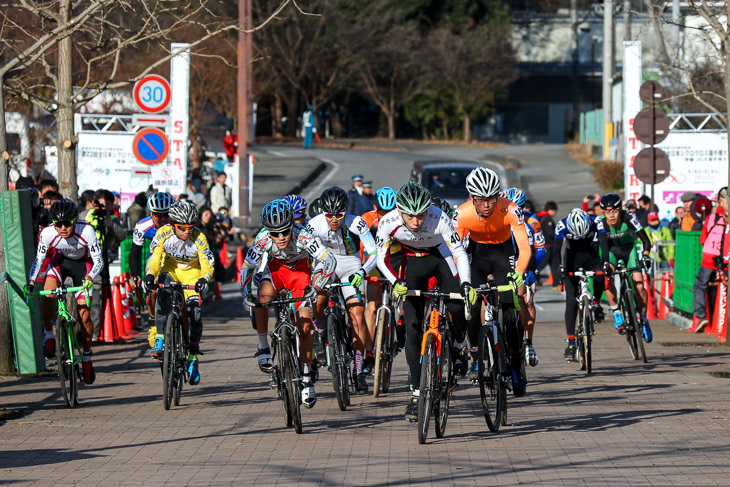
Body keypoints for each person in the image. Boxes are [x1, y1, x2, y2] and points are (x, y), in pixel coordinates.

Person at [376, 182, 475, 421]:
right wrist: (394, 281)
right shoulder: (387, 222)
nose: (416, 222)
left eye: (420, 215)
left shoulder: (439, 217)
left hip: (439, 257)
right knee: (412, 327)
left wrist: (466, 283)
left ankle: (460, 346)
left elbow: (459, 252)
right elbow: (381, 259)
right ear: (399, 211)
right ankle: (416, 393)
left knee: (456, 304)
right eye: (410, 216)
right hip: (412, 264)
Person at [241, 199, 337, 408]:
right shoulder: (262, 238)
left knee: (306, 328)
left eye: (285, 231)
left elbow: (329, 260)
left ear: (292, 226)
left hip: (300, 275)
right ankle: (263, 346)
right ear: (268, 231)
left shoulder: (303, 235)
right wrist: (246, 293)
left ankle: (306, 378)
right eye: (275, 233)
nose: (281, 237)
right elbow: (247, 266)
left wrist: (317, 285)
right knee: (262, 299)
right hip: (276, 273)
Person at [452, 169, 530, 397]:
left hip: (503, 254)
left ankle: (515, 362)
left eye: (491, 199)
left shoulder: (510, 210)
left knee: (509, 312)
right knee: (473, 306)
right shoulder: (462, 214)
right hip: (477, 254)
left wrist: (518, 272)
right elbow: (454, 249)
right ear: (471, 197)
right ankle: (477, 357)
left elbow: (524, 247)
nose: (487, 205)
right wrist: (459, 276)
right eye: (481, 199)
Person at [307, 186, 378, 394]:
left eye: (339, 214)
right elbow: (306, 251)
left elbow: (373, 251)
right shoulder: (314, 224)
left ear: (346, 210)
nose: (334, 219)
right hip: (325, 261)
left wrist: (363, 271)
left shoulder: (356, 223)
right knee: (319, 297)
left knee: (357, 314)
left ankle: (358, 369)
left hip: (351, 264)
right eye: (329, 215)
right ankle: (320, 333)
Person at [25, 199, 104, 384]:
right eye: (58, 224)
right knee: (47, 293)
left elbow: (99, 261)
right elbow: (38, 260)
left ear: (74, 221)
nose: (62, 228)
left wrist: (89, 278)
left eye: (67, 223)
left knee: (84, 315)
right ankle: (50, 335)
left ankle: (86, 357)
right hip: (60, 262)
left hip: (83, 266)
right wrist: (30, 282)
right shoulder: (47, 233)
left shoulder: (87, 230)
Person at [145, 201, 214, 385]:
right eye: (181, 228)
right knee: (163, 294)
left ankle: (192, 356)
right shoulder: (163, 233)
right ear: (173, 224)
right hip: (171, 269)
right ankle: (160, 336)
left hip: (192, 273)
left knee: (195, 314)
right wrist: (151, 275)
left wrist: (203, 279)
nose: (186, 232)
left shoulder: (199, 237)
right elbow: (156, 258)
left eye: (190, 228)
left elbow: (207, 262)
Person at [553, 208, 610, 362]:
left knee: (599, 276)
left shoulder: (596, 220)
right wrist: (558, 268)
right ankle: (571, 343)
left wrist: (606, 262)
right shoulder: (561, 224)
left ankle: (597, 305)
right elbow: (556, 250)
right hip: (571, 259)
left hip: (591, 256)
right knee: (571, 301)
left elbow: (604, 242)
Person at [597, 193, 654, 343]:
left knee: (640, 287)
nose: (612, 216)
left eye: (615, 211)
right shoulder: (601, 223)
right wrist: (602, 265)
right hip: (611, 253)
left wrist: (646, 255)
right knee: (607, 277)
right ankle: (616, 311)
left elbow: (645, 240)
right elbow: (599, 246)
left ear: (620, 210)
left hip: (629, 250)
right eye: (608, 212)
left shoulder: (629, 218)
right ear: (604, 213)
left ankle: (644, 320)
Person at [502, 187, 545, 367]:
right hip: (505, 260)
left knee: (526, 300)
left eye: (519, 206)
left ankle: (528, 342)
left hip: (524, 260)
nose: (516, 210)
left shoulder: (532, 222)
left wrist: (531, 271)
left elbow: (539, 250)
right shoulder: (501, 217)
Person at [360, 187, 403, 364]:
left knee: (403, 307)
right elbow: (362, 251)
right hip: (376, 261)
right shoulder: (366, 219)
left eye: (390, 211)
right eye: (382, 211)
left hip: (397, 260)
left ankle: (401, 337)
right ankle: (369, 353)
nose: (386, 216)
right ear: (375, 208)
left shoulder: (402, 218)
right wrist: (362, 273)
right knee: (371, 307)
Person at [129, 193, 175, 323]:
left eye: (167, 214)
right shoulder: (142, 226)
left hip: (175, 257)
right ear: (150, 214)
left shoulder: (178, 224)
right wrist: (134, 274)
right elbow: (135, 253)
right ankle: (155, 318)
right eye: (158, 215)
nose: (163, 219)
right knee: (154, 287)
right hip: (156, 256)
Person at [693, 187, 729, 332]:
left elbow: (703, 240)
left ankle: (702, 317)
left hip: (708, 258)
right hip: (725, 261)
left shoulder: (711, 218)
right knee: (722, 289)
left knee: (700, 287)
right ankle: (720, 320)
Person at [537, 201, 558, 286]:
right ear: (551, 210)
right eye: (555, 211)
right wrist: (558, 236)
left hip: (548, 245)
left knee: (554, 264)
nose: (555, 213)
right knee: (542, 263)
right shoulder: (547, 219)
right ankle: (535, 276)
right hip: (547, 245)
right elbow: (550, 232)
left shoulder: (541, 217)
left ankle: (556, 283)